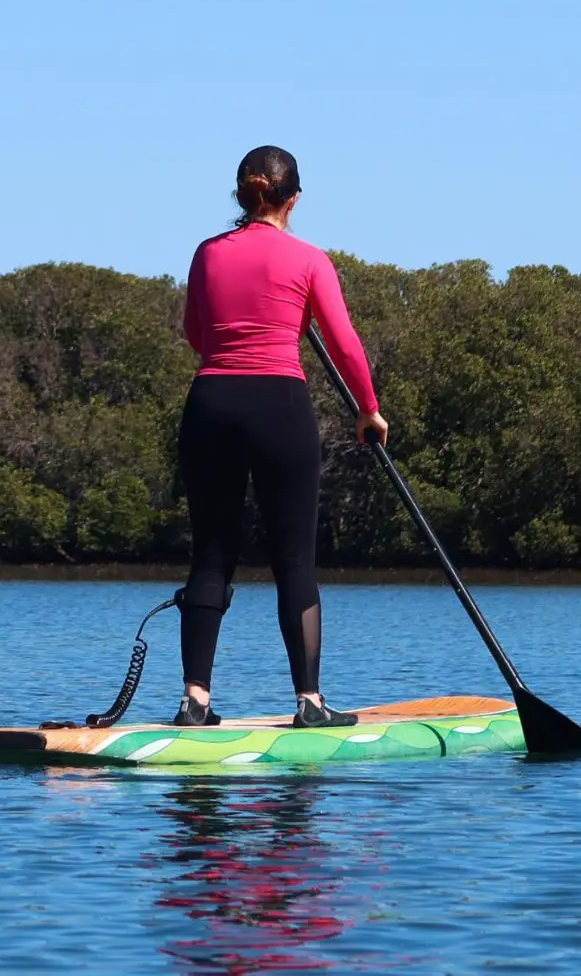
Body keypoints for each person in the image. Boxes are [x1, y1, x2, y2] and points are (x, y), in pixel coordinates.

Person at [174, 145, 388, 728]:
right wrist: (368, 410)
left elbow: (197, 332)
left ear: (244, 194)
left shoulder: (206, 253)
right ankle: (309, 705)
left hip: (211, 404)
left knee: (212, 554)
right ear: (293, 199)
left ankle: (196, 701)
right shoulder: (310, 260)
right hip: (279, 407)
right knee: (294, 559)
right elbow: (343, 342)